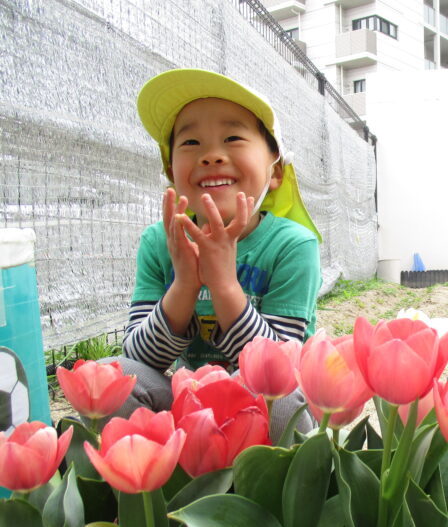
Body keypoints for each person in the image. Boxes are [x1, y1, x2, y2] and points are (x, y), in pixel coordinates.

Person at [113, 68, 322, 438]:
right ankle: (161, 486)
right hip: (189, 398)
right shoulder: (160, 242)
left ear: (275, 171)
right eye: (191, 143)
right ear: (171, 171)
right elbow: (140, 358)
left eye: (232, 137)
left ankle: (267, 489)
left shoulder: (293, 245)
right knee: (114, 378)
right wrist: (184, 286)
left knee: (282, 399)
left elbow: (278, 369)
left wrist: (224, 286)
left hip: (267, 408)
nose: (211, 155)